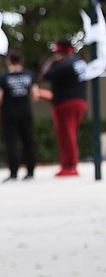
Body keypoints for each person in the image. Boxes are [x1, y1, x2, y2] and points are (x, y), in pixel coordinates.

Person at [39, 38, 88, 177]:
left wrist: (52, 61)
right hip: (80, 102)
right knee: (71, 133)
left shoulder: (63, 66)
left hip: (65, 104)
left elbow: (44, 75)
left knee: (66, 135)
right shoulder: (80, 62)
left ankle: (70, 165)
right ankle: (69, 164)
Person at [0, 49, 39, 182]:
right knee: (28, 141)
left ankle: (14, 172)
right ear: (22, 60)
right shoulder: (29, 75)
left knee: (11, 142)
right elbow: (35, 95)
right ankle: (30, 171)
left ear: (8, 61)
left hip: (9, 112)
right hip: (25, 111)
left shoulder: (3, 77)